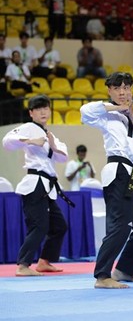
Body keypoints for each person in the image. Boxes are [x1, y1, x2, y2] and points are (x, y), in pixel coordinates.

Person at [80, 72, 133, 289]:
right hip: (117, 172)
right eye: (117, 88)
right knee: (121, 225)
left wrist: (131, 114)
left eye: (126, 88)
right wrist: (117, 108)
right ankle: (102, 276)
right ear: (110, 91)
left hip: (131, 173)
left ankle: (124, 270)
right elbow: (84, 112)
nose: (123, 92)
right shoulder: (106, 114)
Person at [2, 95, 69, 276]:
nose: (43, 112)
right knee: (39, 226)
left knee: (60, 226)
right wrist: (29, 141)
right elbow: (7, 142)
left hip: (48, 186)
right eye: (38, 109)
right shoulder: (28, 128)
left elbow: (64, 157)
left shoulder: (50, 135)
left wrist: (54, 146)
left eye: (45, 108)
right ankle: (23, 265)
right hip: (35, 185)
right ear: (31, 113)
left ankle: (44, 261)